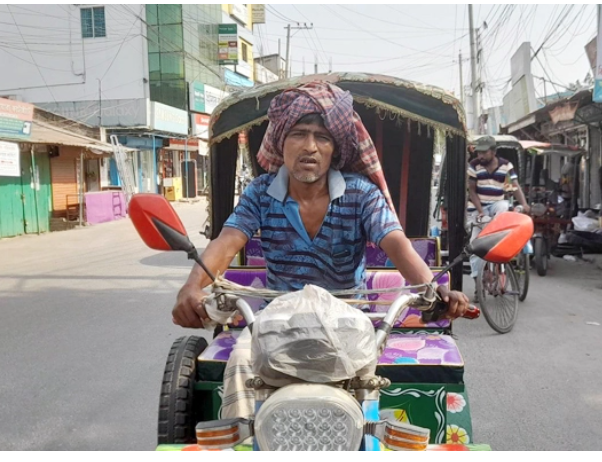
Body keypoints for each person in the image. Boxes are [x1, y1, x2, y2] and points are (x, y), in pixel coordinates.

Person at [172, 82, 470, 419]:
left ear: (335, 150)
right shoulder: (260, 193)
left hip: (349, 323)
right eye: (299, 133)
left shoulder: (361, 195)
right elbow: (226, 241)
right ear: (281, 141)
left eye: (322, 137)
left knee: (368, 405)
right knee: (242, 374)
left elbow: (397, 244)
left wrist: (435, 290)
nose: (310, 146)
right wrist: (192, 286)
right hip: (276, 325)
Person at [467, 136, 530, 286]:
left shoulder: (505, 166)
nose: (480, 156)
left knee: (503, 205)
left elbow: (514, 186)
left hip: (496, 205)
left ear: (493, 152)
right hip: (477, 207)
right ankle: (478, 282)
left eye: (484, 152)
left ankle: (499, 236)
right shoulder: (474, 166)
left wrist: (524, 204)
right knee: (475, 244)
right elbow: (471, 191)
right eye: (479, 153)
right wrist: (481, 211)